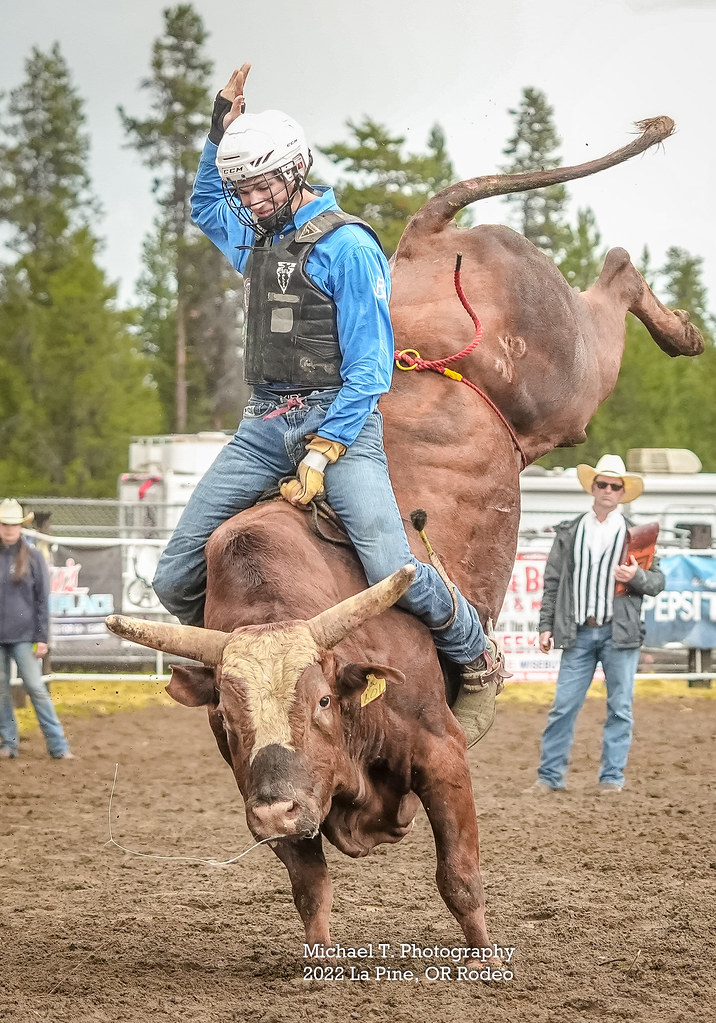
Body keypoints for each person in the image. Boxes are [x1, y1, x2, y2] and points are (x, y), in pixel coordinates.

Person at [151, 63, 505, 742]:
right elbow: (203, 204)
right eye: (242, 189)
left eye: (259, 186)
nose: (248, 201)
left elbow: (370, 368)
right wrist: (217, 128)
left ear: (294, 170)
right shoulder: (256, 236)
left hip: (338, 422)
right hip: (263, 424)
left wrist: (325, 449)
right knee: (174, 574)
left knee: (390, 568)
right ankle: (236, 671)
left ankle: (476, 652)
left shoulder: (347, 246)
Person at [532, 455, 664, 792]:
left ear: (622, 492)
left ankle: (611, 777)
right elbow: (553, 581)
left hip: (618, 633)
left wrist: (636, 576)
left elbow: (657, 583)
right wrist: (545, 625)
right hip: (578, 631)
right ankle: (549, 777)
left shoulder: (638, 536)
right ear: (593, 487)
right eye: (602, 483)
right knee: (563, 706)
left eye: (614, 485)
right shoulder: (571, 530)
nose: (607, 489)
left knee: (620, 707)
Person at [0, 499, 74, 760]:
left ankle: (58, 745)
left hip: (24, 635)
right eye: (5, 524)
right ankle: (8, 744)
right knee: (0, 690)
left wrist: (42, 637)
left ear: (21, 526)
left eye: (13, 524)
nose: (9, 529)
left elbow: (42, 599)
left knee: (36, 687)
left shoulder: (32, 557)